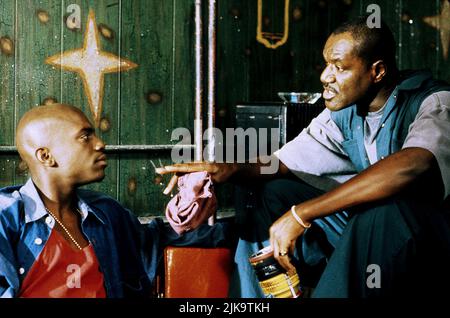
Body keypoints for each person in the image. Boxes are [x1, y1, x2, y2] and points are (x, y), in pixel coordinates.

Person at [156, 16, 450, 297]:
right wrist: (227, 169)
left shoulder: (434, 101)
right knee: (275, 191)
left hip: (426, 240)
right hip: (370, 235)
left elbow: (413, 164)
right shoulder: (346, 112)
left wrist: (303, 214)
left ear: (378, 71)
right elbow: (284, 162)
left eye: (339, 67)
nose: (325, 76)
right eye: (326, 65)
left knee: (378, 211)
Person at [0, 104, 229, 298]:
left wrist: (192, 194)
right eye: (85, 137)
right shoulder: (7, 218)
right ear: (46, 156)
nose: (100, 144)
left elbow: (156, 244)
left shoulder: (105, 212)